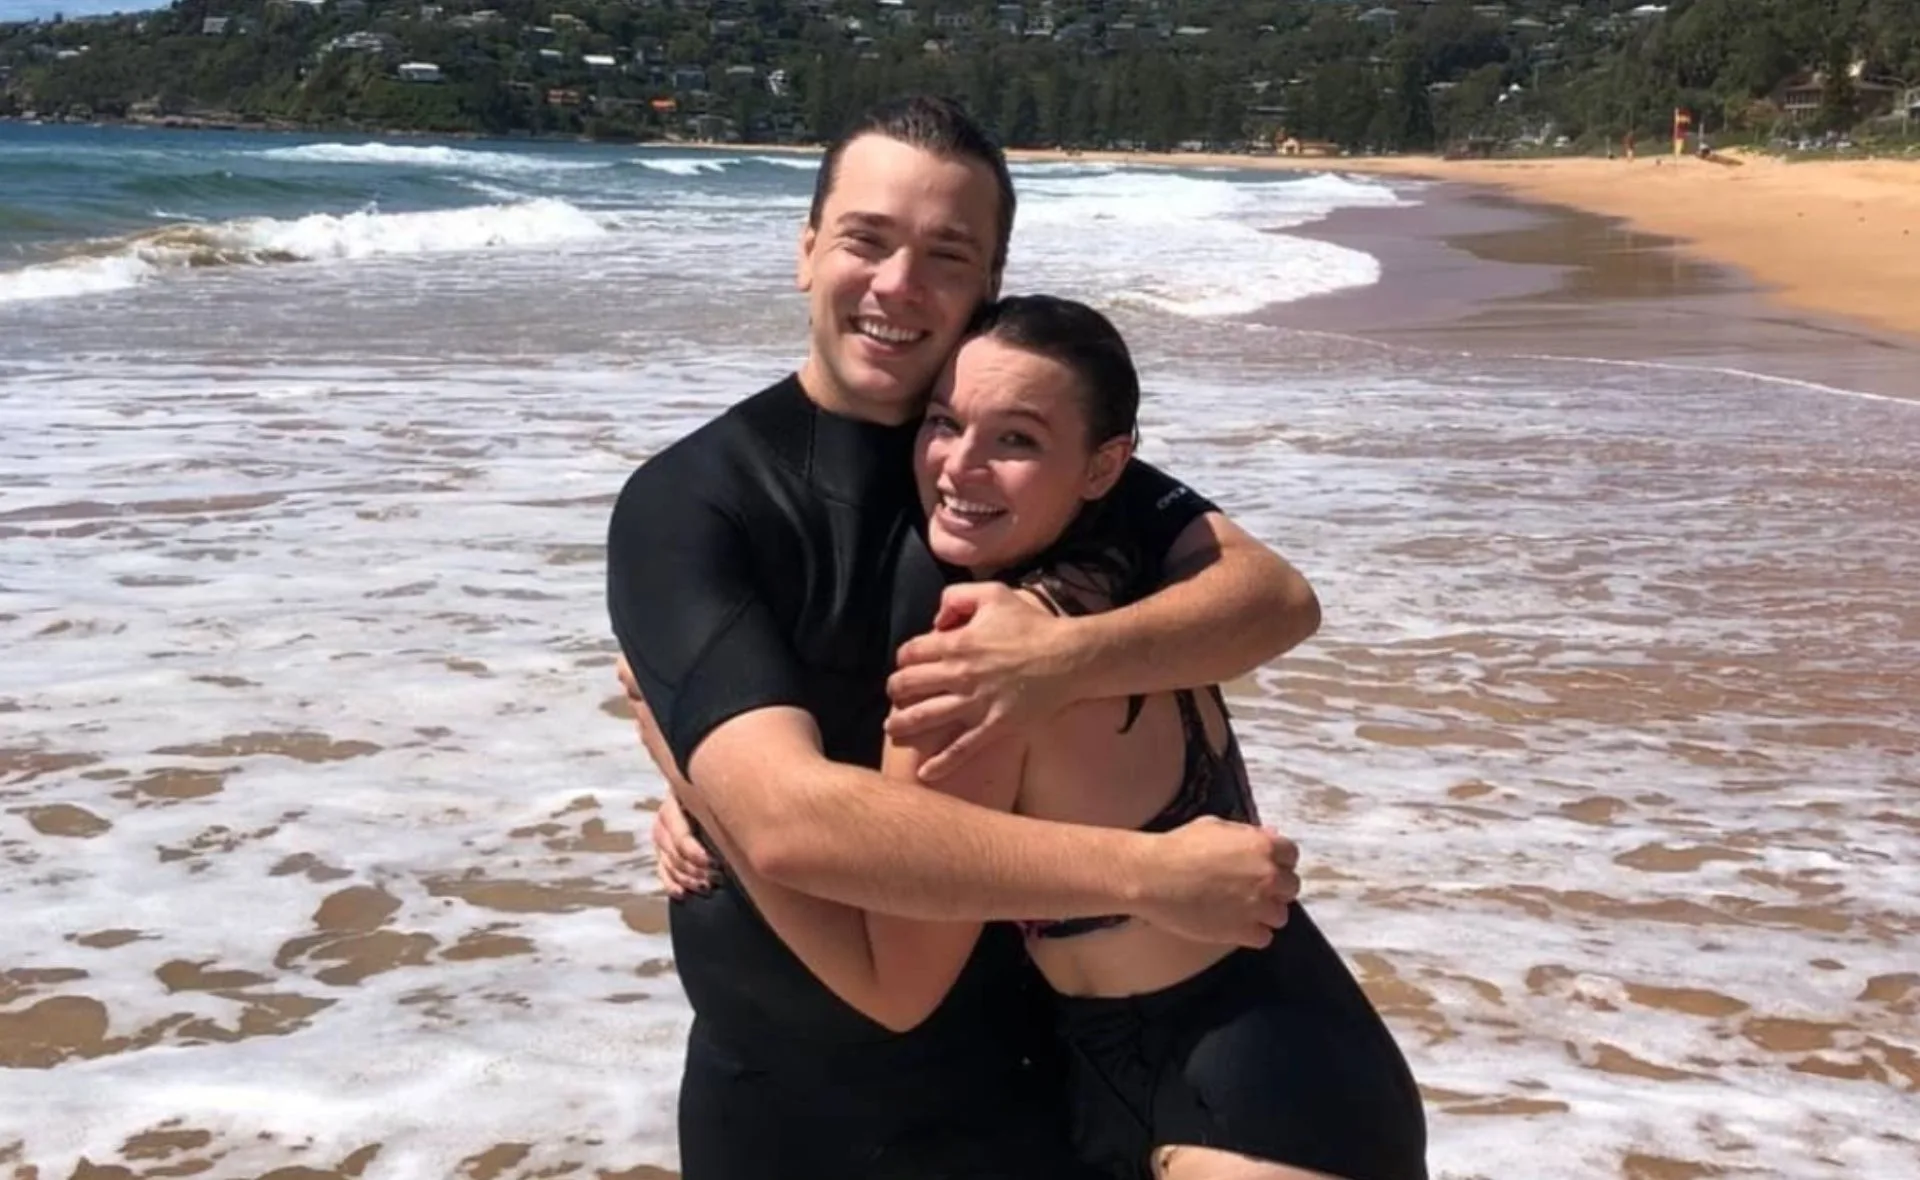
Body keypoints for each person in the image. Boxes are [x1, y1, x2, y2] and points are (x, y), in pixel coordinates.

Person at [606, 95, 1322, 1179]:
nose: (899, 284)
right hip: (777, 1105)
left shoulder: (1000, 468)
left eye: (946, 255)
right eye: (866, 239)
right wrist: (1144, 872)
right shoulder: (693, 503)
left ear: (989, 282)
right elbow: (789, 819)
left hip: (1029, 1093)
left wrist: (1059, 661)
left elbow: (1269, 598)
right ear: (806, 250)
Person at [659, 295, 1428, 1180]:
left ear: (1105, 467)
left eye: (1016, 441)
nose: (961, 465)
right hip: (1283, 1040)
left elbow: (890, 984)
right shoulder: (1137, 592)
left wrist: (696, 765)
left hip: (1249, 1108)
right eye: (943, 423)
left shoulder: (978, 668)